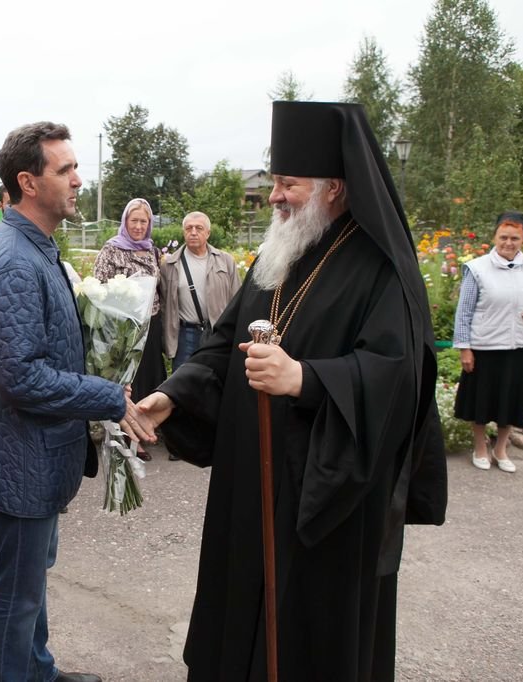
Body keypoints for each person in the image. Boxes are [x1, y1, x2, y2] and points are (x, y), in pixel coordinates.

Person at [135, 101, 447, 680]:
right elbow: (225, 342)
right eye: (275, 181)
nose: (274, 196)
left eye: (288, 184)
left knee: (308, 636)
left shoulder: (380, 268)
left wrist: (304, 378)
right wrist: (174, 393)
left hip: (321, 502)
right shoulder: (279, 253)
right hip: (251, 484)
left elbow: (398, 375)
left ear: (334, 187)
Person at [0, 121, 154, 682]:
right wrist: (107, 396)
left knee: (31, 579)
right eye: (65, 169)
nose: (78, 179)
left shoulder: (35, 249)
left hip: (37, 453)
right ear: (28, 182)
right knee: (17, 591)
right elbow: (22, 378)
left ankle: (38, 671)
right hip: (22, 456)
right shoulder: (12, 262)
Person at [453, 211, 523, 473]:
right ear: (494, 237)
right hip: (485, 346)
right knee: (481, 401)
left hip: (520, 346)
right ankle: (480, 448)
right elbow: (464, 311)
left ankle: (501, 449)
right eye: (503, 237)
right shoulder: (477, 268)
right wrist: (465, 349)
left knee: (511, 402)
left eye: (515, 238)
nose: (508, 243)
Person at [93, 197, 168, 461]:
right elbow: (99, 287)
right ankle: (130, 436)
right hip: (124, 326)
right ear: (125, 221)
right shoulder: (112, 249)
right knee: (128, 380)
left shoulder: (152, 251)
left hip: (151, 323)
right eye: (134, 220)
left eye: (143, 221)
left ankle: (146, 427)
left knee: (148, 376)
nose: (138, 226)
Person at [160, 211, 241, 370]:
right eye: (189, 228)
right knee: (183, 381)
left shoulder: (225, 261)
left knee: (216, 379)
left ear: (208, 233)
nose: (193, 232)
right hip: (185, 335)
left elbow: (237, 299)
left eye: (199, 228)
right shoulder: (170, 265)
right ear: (183, 232)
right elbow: (164, 305)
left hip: (217, 334)